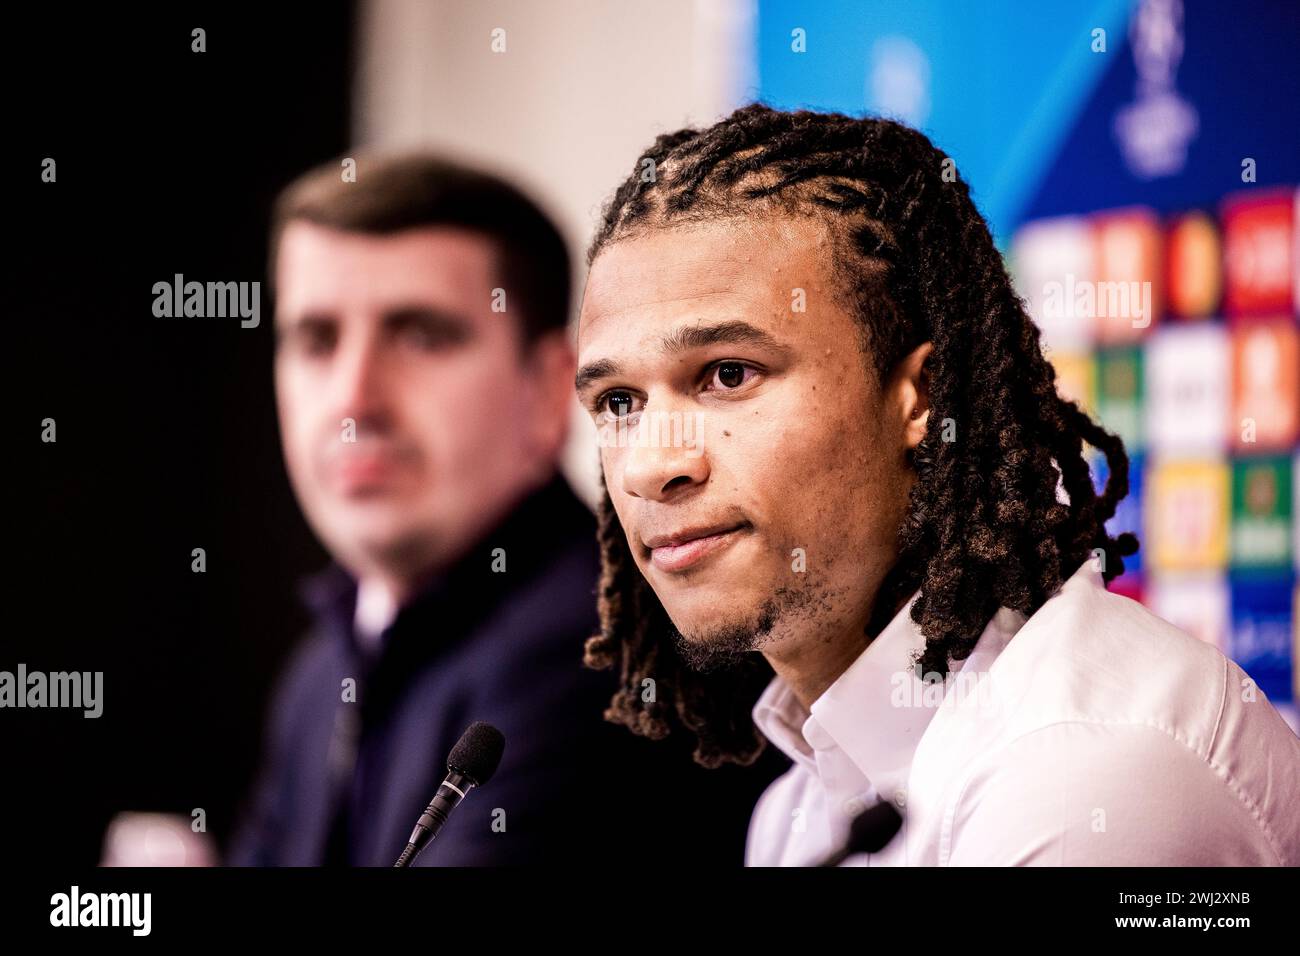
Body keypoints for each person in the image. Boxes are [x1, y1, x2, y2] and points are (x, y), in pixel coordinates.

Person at [574, 104, 1300, 866]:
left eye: (728, 375)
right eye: (618, 403)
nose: (651, 465)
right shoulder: (798, 807)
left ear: (921, 396)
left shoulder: (1081, 778)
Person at [229, 153, 779, 866]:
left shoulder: (599, 653)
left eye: (421, 336)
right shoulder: (320, 671)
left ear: (550, 391)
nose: (353, 400)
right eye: (317, 340)